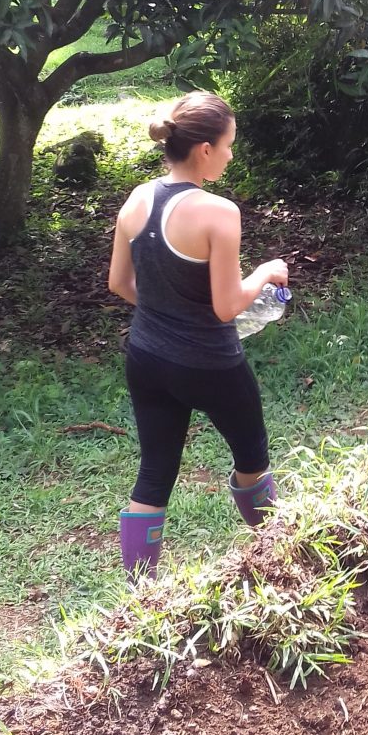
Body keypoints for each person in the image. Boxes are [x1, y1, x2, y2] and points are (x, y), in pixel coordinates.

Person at [107, 91, 288, 578]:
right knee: (252, 458)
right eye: (228, 145)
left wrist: (167, 313)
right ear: (205, 150)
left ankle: (140, 595)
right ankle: (283, 563)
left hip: (146, 357)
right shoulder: (218, 212)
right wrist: (265, 272)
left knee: (155, 472)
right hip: (211, 364)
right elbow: (227, 305)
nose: (230, 154)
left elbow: (119, 283)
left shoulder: (137, 198)